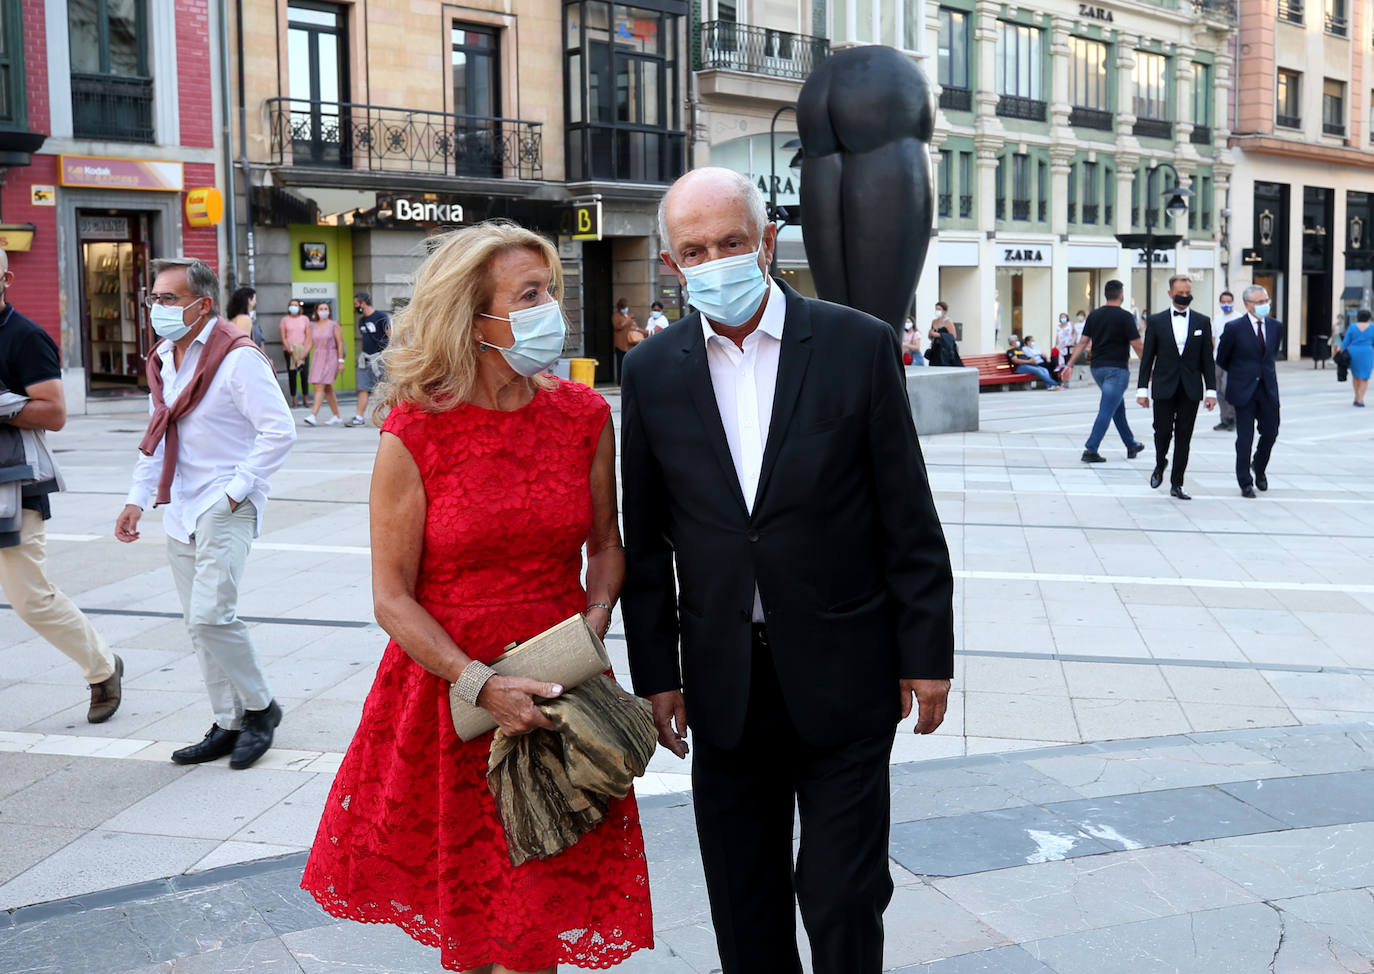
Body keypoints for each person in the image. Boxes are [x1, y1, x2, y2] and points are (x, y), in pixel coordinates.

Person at [620, 167, 954, 974]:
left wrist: (927, 654)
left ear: (766, 242)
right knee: (745, 901)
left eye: (731, 242)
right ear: (672, 265)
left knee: (843, 893)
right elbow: (648, 540)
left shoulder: (855, 344)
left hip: (847, 671)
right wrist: (656, 675)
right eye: (694, 250)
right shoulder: (652, 373)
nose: (715, 261)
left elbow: (905, 510)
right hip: (723, 685)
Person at [300, 221, 652, 971]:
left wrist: (589, 632)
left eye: (549, 291)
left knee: (536, 912)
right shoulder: (415, 432)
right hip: (452, 695)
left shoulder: (585, 417)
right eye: (529, 295)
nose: (549, 309)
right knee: (479, 921)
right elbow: (391, 597)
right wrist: (479, 683)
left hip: (559, 690)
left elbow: (607, 546)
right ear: (473, 316)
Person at [115, 257, 296, 768]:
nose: (157, 308)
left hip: (223, 501)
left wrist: (238, 490)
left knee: (212, 614)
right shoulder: (166, 360)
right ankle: (228, 721)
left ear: (203, 305)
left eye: (168, 299)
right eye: (154, 298)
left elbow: (279, 430)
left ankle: (261, 710)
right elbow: (161, 431)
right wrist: (137, 496)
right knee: (198, 625)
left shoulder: (238, 358)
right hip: (180, 505)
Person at [0, 247, 123, 724]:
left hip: (13, 487)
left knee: (31, 598)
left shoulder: (25, 337)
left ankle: (102, 668)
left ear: (7, 278)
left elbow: (54, 412)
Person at [1136, 275, 1217, 500]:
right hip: (1163, 385)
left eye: (1187, 291)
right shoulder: (1156, 321)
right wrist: (1142, 389)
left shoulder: (1202, 321)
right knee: (1161, 432)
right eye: (1180, 292)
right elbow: (1147, 358)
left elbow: (1207, 361)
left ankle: (1177, 483)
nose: (1184, 295)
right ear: (1170, 293)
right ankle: (1160, 462)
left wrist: (1211, 391)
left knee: (1184, 436)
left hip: (1190, 388)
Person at [1061, 279, 1147, 464]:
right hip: (1116, 369)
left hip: (1098, 368)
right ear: (1121, 295)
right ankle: (1091, 449)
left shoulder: (1094, 315)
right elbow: (1137, 345)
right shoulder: (1125, 317)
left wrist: (1069, 364)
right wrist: (1149, 367)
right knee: (1107, 409)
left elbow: (1083, 342)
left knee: (1117, 407)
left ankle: (1131, 444)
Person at [1217, 284, 1281, 497]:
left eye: (1266, 301)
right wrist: (1241, 374)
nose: (1265, 305)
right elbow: (1223, 358)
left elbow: (1271, 355)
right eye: (1260, 302)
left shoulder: (1275, 326)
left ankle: (1259, 467)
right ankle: (1245, 481)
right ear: (1247, 305)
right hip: (1243, 390)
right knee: (1245, 437)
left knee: (1271, 432)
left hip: (1267, 389)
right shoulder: (1235, 328)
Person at [349, 291, 389, 426]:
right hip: (365, 359)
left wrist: (389, 356)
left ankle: (389, 416)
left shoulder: (381, 317)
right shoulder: (362, 321)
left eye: (356, 304)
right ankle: (359, 417)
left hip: (380, 359)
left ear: (363, 303)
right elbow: (364, 340)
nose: (355, 307)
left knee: (385, 388)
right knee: (363, 388)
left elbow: (390, 336)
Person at [304, 301, 345, 426]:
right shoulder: (312, 326)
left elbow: (340, 343)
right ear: (316, 311)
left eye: (326, 308)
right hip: (318, 357)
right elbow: (309, 343)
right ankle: (337, 416)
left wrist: (341, 361)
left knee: (319, 385)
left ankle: (313, 415)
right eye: (321, 308)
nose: (323, 310)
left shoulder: (334, 325)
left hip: (331, 357)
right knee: (327, 388)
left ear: (329, 310)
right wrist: (301, 357)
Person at [1335, 308, 1373, 406]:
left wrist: (1341, 351)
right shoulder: (1372, 327)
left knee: (1356, 376)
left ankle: (1356, 397)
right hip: (1367, 352)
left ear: (1358, 317)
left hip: (1354, 352)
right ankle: (1360, 399)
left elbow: (1346, 341)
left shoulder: (1352, 327)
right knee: (1364, 377)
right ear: (1369, 318)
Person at [1213, 290, 1238, 431]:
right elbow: (1213, 338)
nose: (1226, 304)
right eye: (1223, 302)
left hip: (1232, 361)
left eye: (1229, 302)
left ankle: (1234, 418)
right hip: (1218, 360)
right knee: (1218, 391)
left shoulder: (1239, 318)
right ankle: (1225, 418)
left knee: (1227, 389)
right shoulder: (1217, 318)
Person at [280, 300, 311, 407]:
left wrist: (304, 351)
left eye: (296, 305)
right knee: (292, 375)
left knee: (304, 375)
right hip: (290, 351)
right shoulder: (285, 320)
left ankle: (306, 399)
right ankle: (294, 400)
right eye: (291, 305)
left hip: (302, 350)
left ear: (299, 307)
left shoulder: (305, 319)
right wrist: (289, 350)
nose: (293, 307)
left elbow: (308, 336)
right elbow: (283, 336)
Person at [927, 301, 961, 366]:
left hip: (944, 350)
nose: (937, 311)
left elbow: (953, 336)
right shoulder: (934, 321)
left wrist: (939, 335)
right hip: (935, 348)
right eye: (936, 309)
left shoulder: (948, 322)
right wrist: (931, 334)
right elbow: (931, 337)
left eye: (939, 309)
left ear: (944, 311)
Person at [612, 298, 637, 383]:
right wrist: (626, 320)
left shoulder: (630, 314)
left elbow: (634, 323)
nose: (626, 309)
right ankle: (620, 380)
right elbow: (618, 326)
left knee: (629, 362)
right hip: (620, 343)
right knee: (620, 362)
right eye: (624, 307)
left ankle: (629, 380)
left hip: (630, 342)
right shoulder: (616, 315)